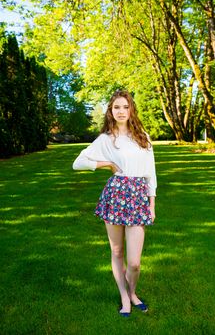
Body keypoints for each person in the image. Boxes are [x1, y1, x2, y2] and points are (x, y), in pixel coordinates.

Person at [72, 90, 157, 317]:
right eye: (116, 107)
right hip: (116, 195)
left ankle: (133, 291)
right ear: (111, 111)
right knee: (117, 250)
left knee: (135, 262)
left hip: (138, 197)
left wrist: (152, 205)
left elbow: (151, 174)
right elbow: (78, 163)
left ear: (131, 110)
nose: (121, 111)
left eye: (125, 107)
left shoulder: (143, 137)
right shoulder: (106, 139)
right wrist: (107, 163)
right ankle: (125, 296)